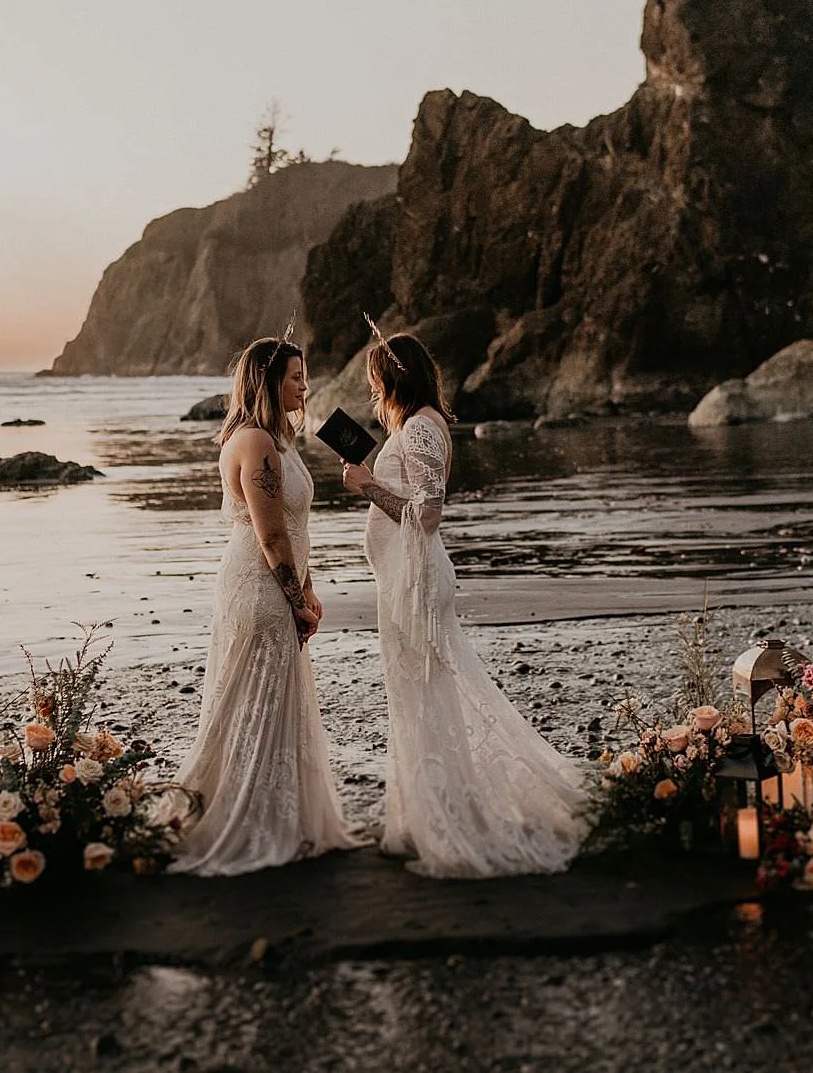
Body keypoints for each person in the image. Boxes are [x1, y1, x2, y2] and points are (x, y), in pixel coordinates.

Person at [343, 331, 588, 877]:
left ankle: (448, 816)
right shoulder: (413, 426)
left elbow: (429, 514)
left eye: (376, 380)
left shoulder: (422, 428)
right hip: (402, 577)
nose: (373, 390)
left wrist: (364, 485)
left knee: (427, 694)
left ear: (392, 378)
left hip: (417, 580)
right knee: (414, 696)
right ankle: (423, 813)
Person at [171, 337, 366, 875]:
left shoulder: (278, 439)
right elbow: (273, 536)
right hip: (258, 587)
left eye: (305, 376)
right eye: (295, 377)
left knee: (272, 700)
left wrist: (310, 588)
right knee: (252, 701)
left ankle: (277, 815)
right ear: (267, 381)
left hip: (277, 583)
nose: (305, 385)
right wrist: (293, 597)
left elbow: (298, 531)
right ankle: (245, 820)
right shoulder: (255, 442)